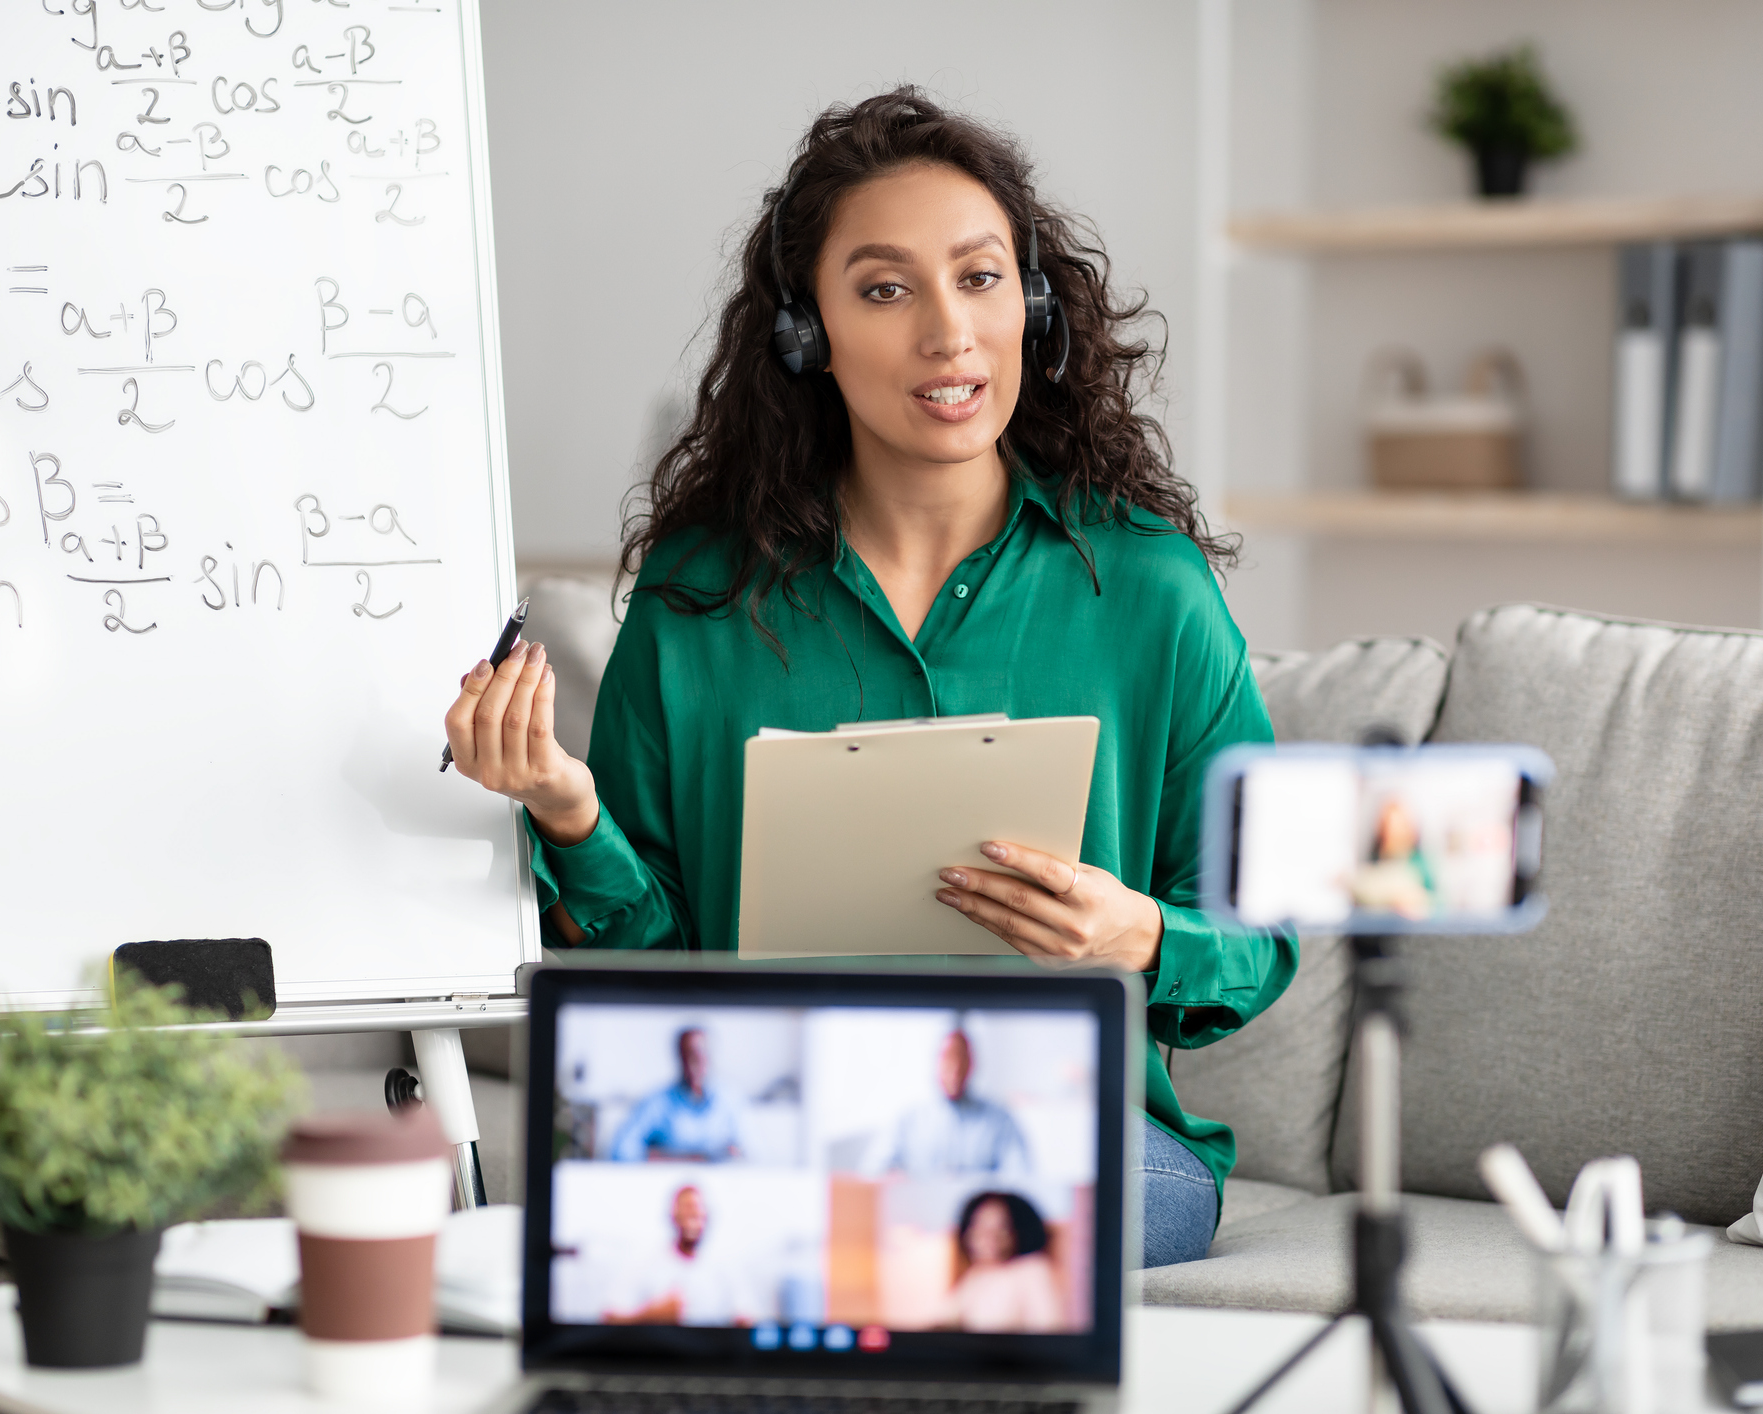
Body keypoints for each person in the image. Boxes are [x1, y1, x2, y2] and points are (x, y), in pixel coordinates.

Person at [442, 88, 1296, 1268]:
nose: (949, 333)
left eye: (982, 278)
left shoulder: (1149, 590)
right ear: (808, 333)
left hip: (1071, 1138)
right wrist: (566, 808)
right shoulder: (700, 599)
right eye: (887, 289)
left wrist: (1143, 934)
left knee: (920, 1228)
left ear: (1033, 307)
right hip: (778, 1125)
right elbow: (645, 961)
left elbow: (1265, 925)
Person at [867, 1029, 1031, 1176]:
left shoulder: (1000, 1121)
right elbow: (873, 1171)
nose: (954, 1071)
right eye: (948, 1060)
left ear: (972, 1065)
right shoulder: (908, 1119)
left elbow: (1020, 1177)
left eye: (961, 1061)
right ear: (936, 1063)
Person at [601, 1184, 753, 1326]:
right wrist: (652, 1315)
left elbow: (747, 1318)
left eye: (697, 1210)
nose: (693, 1215)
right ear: (673, 1215)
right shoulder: (645, 1261)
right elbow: (609, 1317)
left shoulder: (724, 1267)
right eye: (686, 1209)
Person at [609, 1027, 743, 1162]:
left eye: (701, 1054)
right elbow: (621, 1151)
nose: (695, 1063)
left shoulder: (730, 1100)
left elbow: (754, 1155)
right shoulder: (657, 1102)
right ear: (679, 1057)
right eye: (689, 1054)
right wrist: (682, 1159)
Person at [938, 1192, 1065, 1333]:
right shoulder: (975, 1275)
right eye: (980, 1226)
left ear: (1019, 1230)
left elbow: (1051, 1333)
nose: (989, 1237)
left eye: (1001, 1227)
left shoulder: (1032, 1269)